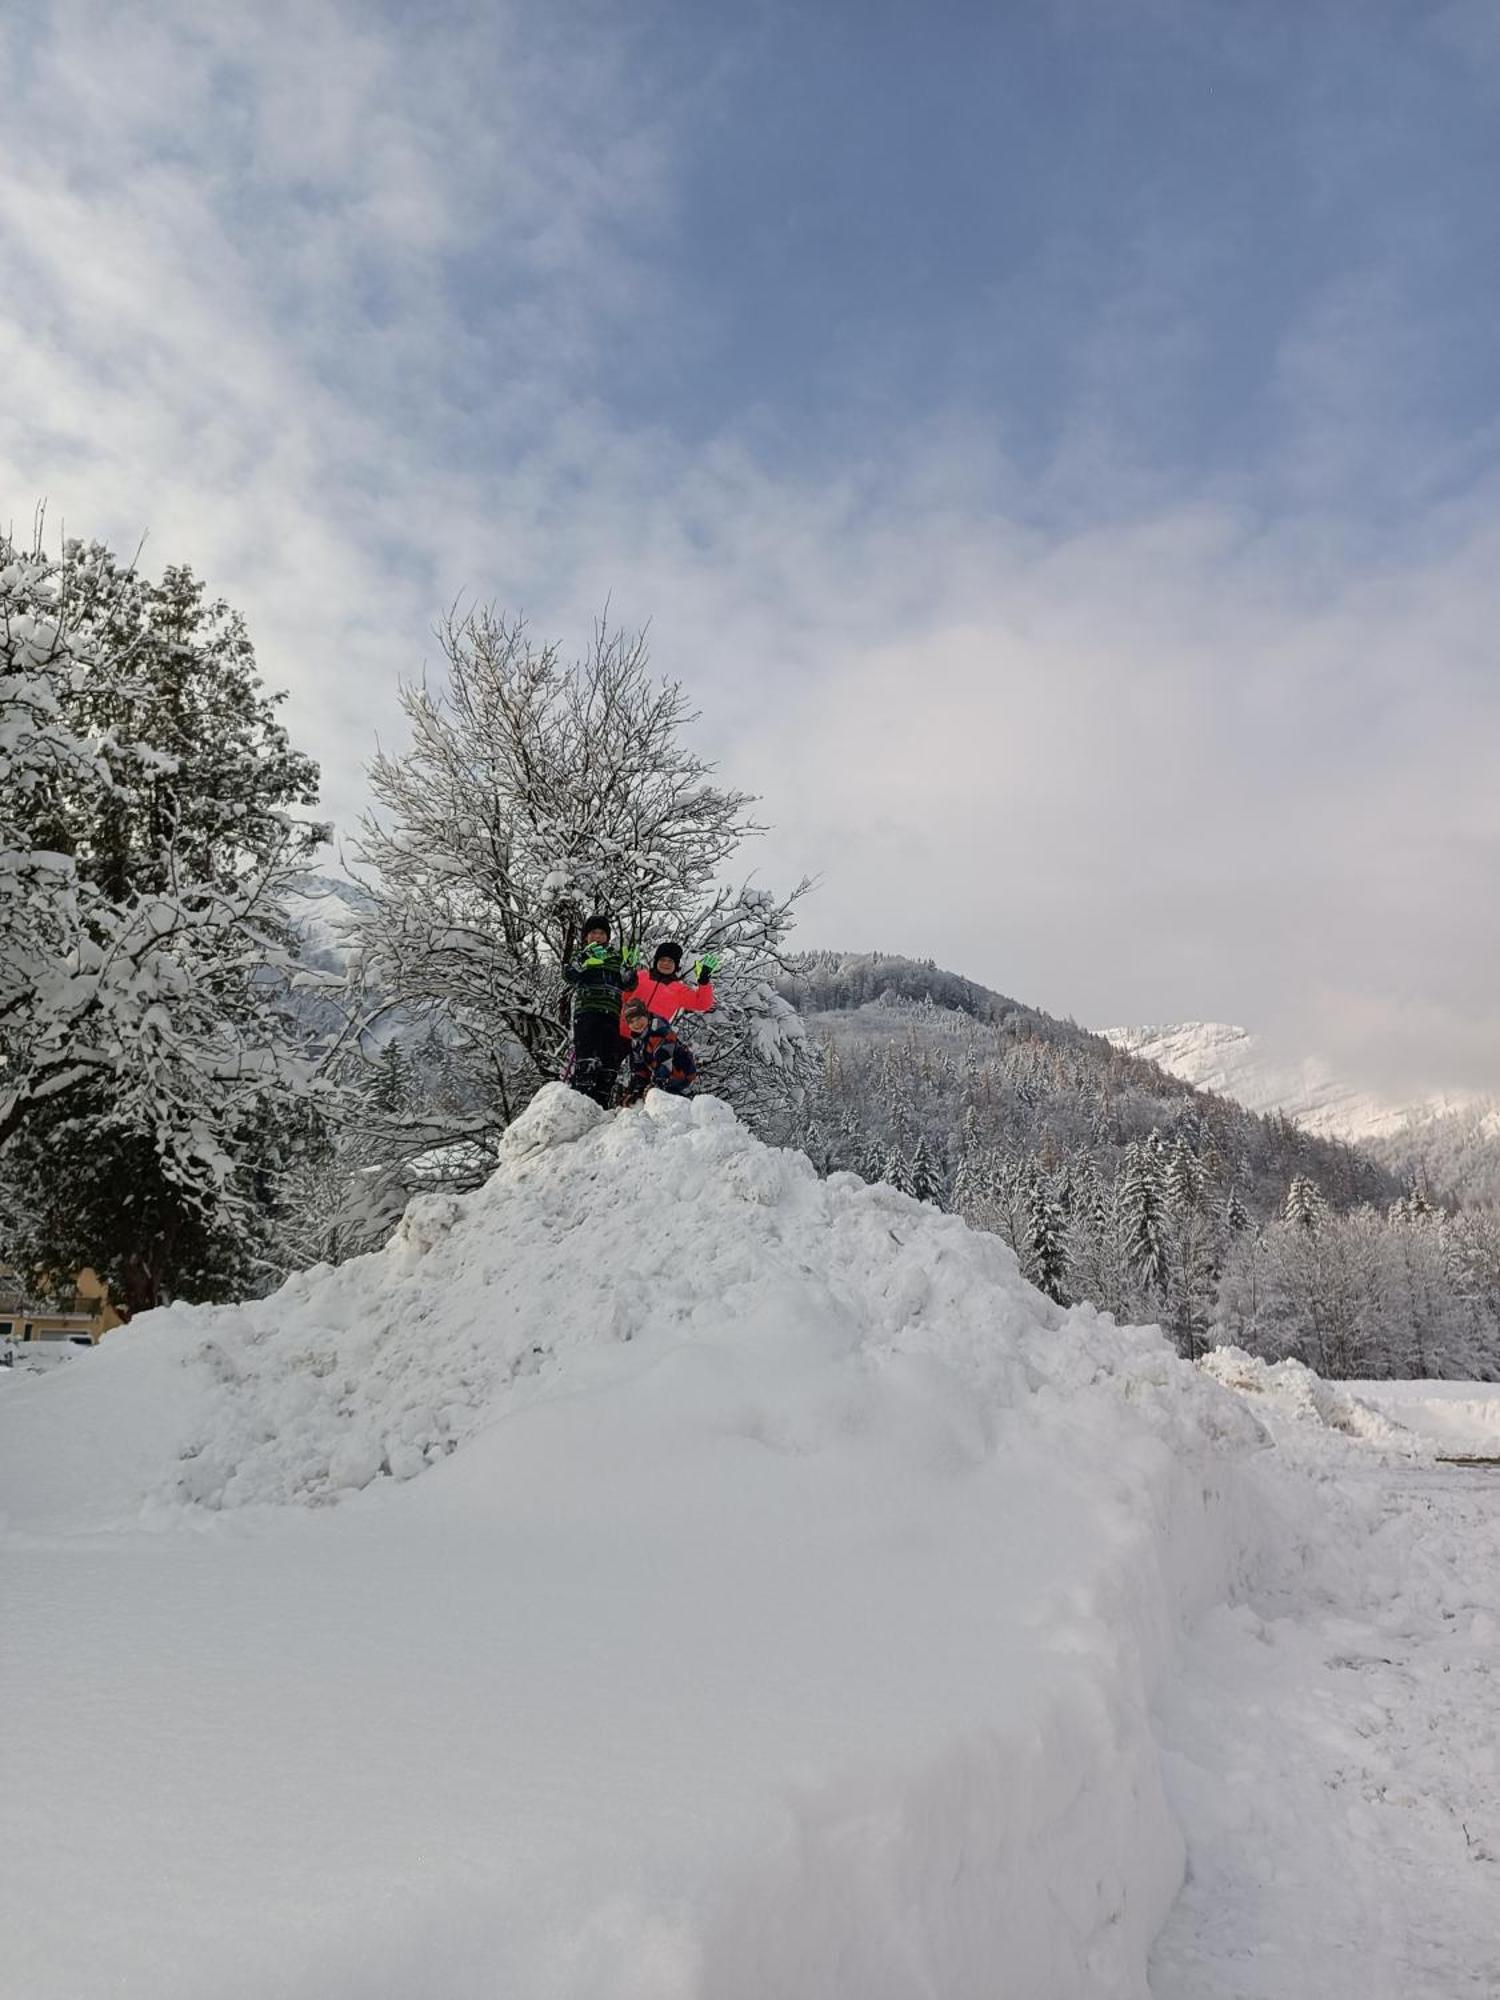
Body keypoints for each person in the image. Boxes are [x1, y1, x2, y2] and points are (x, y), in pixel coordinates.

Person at [560, 914, 637, 1107]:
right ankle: (581, 1101)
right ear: (586, 936)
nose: (597, 936)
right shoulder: (582, 955)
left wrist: (629, 971)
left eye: (601, 933)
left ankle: (601, 1103)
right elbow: (569, 976)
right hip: (586, 1011)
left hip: (611, 1013)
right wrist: (583, 960)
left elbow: (629, 986)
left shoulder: (616, 958)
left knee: (608, 1060)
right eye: (593, 932)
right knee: (586, 1057)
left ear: (607, 937)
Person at [622, 940, 716, 1092]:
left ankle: (643, 1100)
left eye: (670, 961)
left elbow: (702, 1003)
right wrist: (626, 975)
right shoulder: (641, 977)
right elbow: (624, 995)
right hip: (626, 1033)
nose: (665, 963)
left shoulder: (678, 989)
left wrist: (704, 982)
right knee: (611, 1070)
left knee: (641, 1076)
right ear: (656, 961)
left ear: (676, 965)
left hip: (651, 1039)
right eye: (662, 960)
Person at [621, 999, 698, 1102]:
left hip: (681, 1073)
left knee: (661, 1097)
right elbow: (639, 1067)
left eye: (639, 1018)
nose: (636, 1024)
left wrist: (657, 1084)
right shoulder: (637, 1041)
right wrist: (637, 1089)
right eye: (631, 1021)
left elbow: (665, 1059)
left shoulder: (659, 1030)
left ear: (646, 1015)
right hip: (662, 1073)